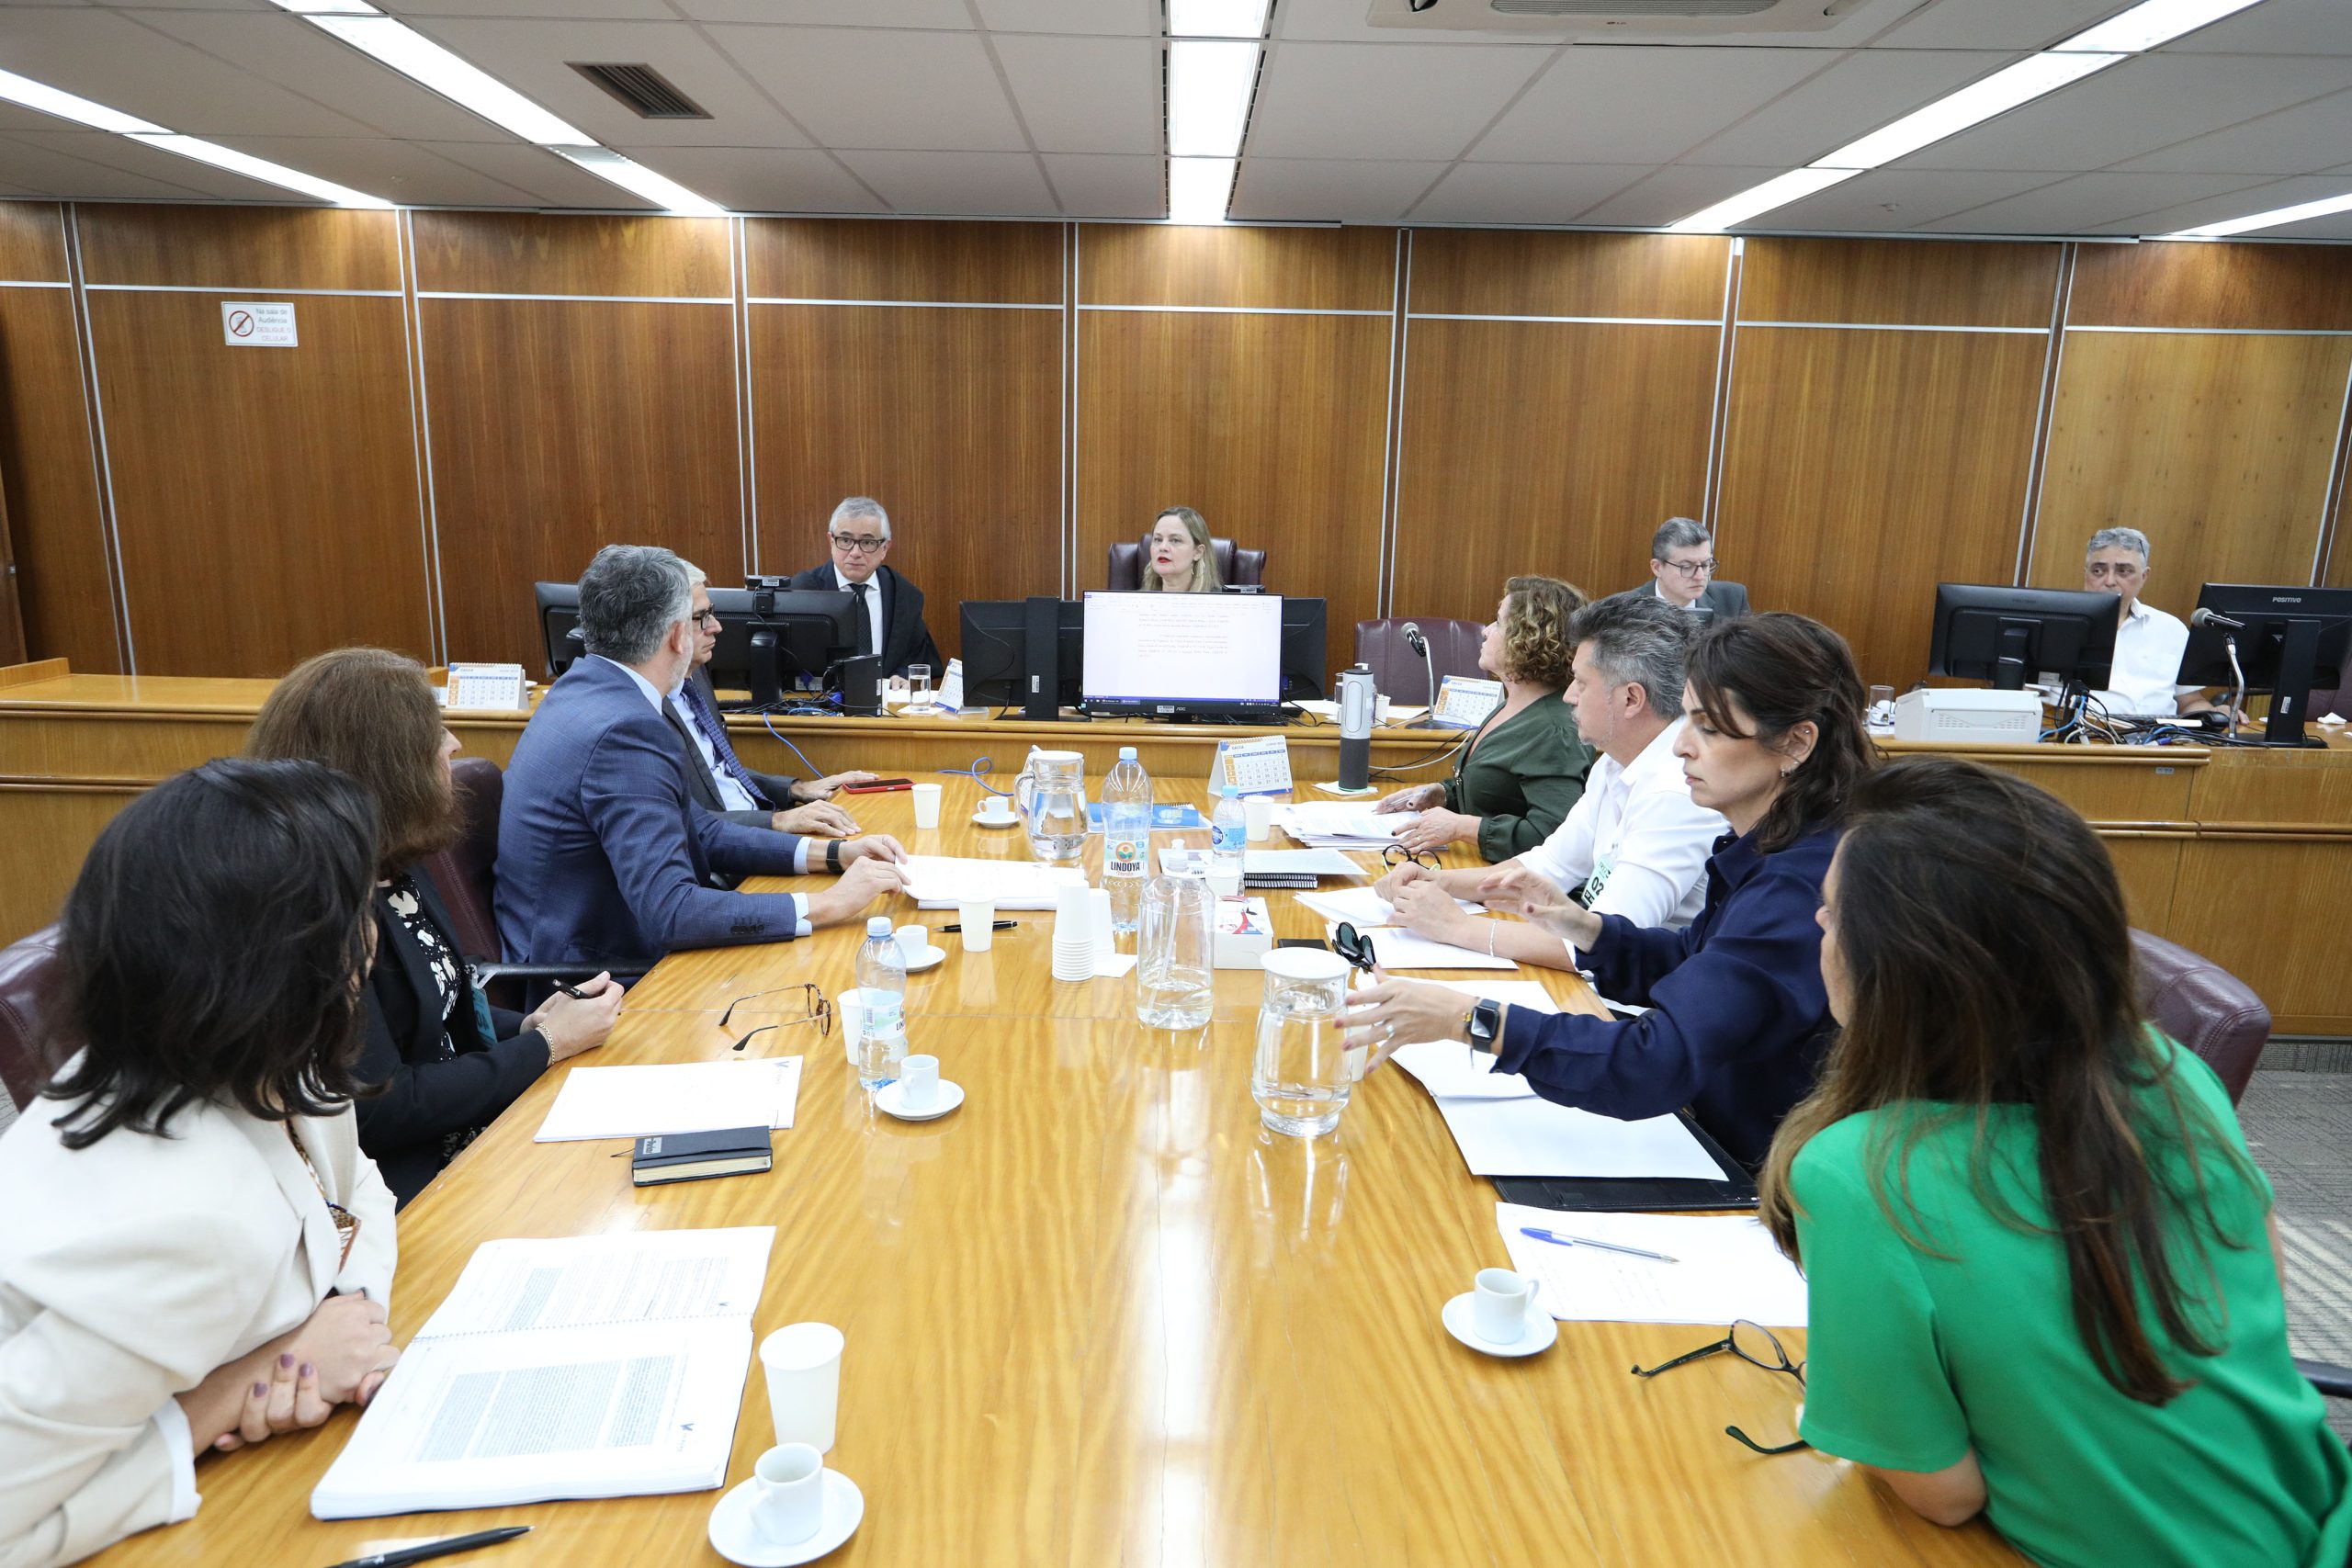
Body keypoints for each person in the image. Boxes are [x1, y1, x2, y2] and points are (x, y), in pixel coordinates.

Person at [1761, 757, 2352, 1566]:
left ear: (1899, 970)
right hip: (2313, 1523)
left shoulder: (1858, 1173)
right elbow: (2263, 1293)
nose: (1820, 930)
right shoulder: (2172, 1073)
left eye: (1831, 915)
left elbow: (1945, 1495)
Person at [0, 760, 402, 1568]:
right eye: (357, 912)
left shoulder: (262, 1063)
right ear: (286, 963)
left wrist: (342, 1316)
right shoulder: (191, 1219)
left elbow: (364, 1190)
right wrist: (230, 1393)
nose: (373, 937)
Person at [1344, 612, 1875, 1170]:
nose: (1680, 748)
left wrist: (1468, 1019)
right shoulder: (1770, 847)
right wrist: (1582, 925)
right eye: (1686, 723)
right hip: (1706, 1129)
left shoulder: (1798, 885)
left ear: (1796, 743)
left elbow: (1656, 1063)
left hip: (1744, 1169)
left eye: (1709, 729)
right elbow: (1690, 958)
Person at [245, 648, 627, 1208]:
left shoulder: (394, 859)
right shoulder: (311, 907)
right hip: (415, 1185)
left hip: (477, 1130)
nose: (453, 744)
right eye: (433, 731)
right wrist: (546, 1045)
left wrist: (527, 1026)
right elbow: (380, 1107)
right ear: (385, 762)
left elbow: (440, 1003)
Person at [497, 546, 908, 982]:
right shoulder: (625, 731)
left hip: (589, 944)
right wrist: (832, 905)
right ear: (678, 635)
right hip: (590, 978)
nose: (713, 627)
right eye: (701, 616)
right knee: (832, 974)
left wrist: (833, 854)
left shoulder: (580, 689)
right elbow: (671, 911)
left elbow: (700, 829)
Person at [1375, 594, 1725, 967]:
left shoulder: (1675, 792)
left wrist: (1456, 926)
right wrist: (1438, 884)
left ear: (1631, 699)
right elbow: (1549, 866)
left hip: (1633, 1004)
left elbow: (1607, 940)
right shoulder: (1616, 763)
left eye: (1580, 683)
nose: (1569, 697)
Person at [1371, 576, 1596, 862]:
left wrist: (1462, 827)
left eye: (1499, 623)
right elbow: (1498, 792)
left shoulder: (1554, 730)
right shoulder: (1511, 705)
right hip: (1478, 867)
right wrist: (1441, 794)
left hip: (1514, 891)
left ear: (1528, 639)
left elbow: (1553, 836)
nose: (1486, 631)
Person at [674, 560, 875, 840]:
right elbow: (685, 822)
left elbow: (719, 772)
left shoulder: (695, 678)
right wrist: (778, 822)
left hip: (756, 826)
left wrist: (798, 789)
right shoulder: (645, 710)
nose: (717, 627)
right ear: (670, 629)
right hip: (727, 849)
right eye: (702, 617)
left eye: (713, 613)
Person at [786, 496, 943, 679]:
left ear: (884, 547)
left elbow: (916, 656)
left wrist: (903, 677)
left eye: (867, 542)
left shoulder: (904, 595)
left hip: (885, 704)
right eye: (845, 540)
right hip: (821, 704)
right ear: (831, 541)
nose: (855, 553)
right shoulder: (802, 591)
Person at [2081, 525, 2212, 717]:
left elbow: (2191, 701)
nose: (2109, 581)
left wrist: (2215, 716)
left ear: (2144, 577)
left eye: (2123, 571)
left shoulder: (2170, 629)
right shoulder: (2058, 627)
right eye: (2098, 570)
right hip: (2084, 740)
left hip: (2159, 742)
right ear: (2086, 573)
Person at [1619, 516, 1750, 619]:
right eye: (1687, 567)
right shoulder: (1621, 609)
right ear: (1657, 568)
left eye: (1705, 565)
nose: (1700, 576)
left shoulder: (1733, 600)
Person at [1138, 506, 1222, 593]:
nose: (1163, 547)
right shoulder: (1135, 602)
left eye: (1175, 540)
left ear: (1198, 552)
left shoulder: (1221, 604)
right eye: (1158, 539)